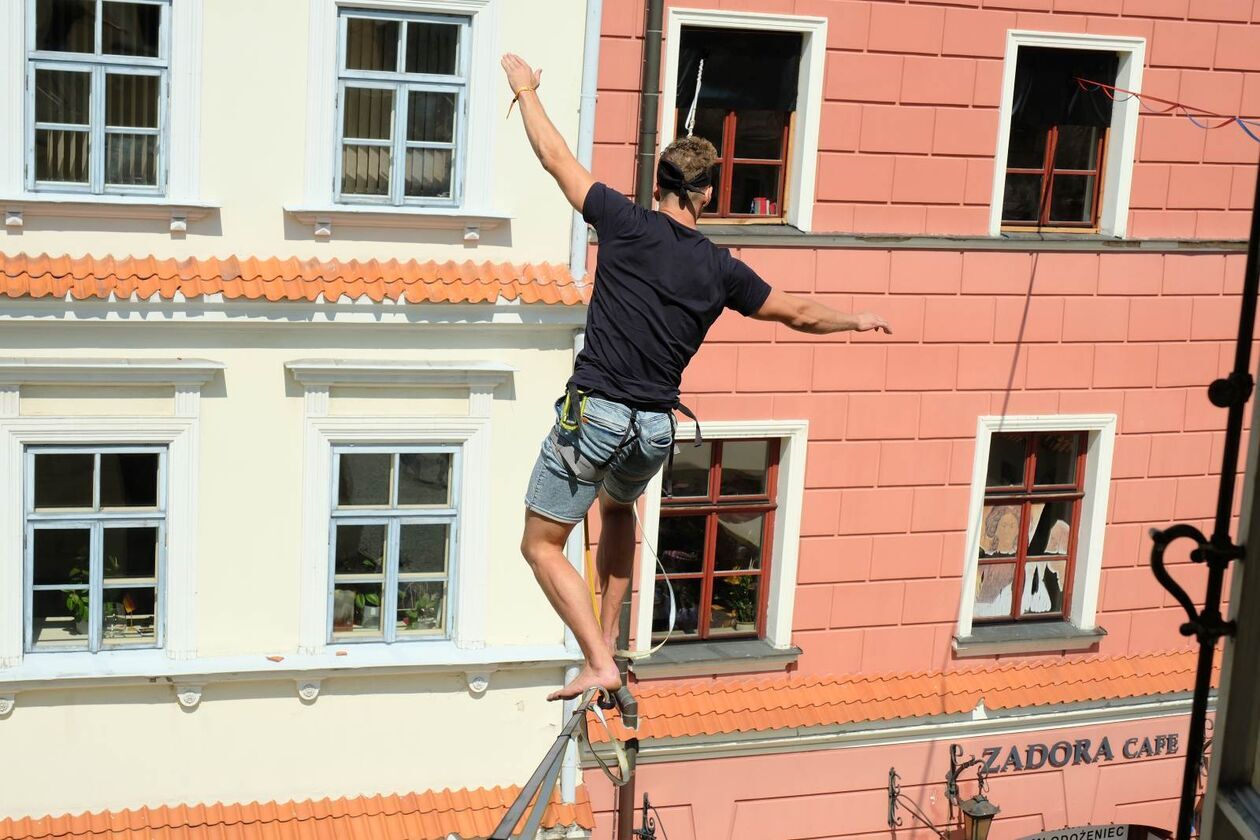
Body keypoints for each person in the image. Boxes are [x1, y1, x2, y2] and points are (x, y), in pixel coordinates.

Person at [503, 53, 892, 701]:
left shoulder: (622, 223)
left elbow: (555, 158)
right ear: (707, 192)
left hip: (597, 414)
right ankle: (614, 643)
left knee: (541, 544)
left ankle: (598, 659)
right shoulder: (722, 269)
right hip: (653, 430)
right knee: (619, 507)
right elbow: (797, 313)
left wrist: (525, 90)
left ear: (657, 184)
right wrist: (855, 318)